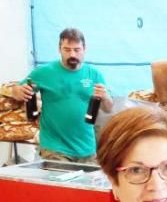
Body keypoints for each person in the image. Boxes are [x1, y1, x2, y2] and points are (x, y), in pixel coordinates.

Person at [9, 27, 112, 161]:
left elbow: (108, 107)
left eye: (77, 50)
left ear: (84, 49)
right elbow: (17, 91)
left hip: (87, 149)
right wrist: (18, 91)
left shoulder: (94, 74)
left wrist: (105, 97)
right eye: (67, 50)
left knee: (87, 182)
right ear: (59, 49)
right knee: (60, 183)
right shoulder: (44, 72)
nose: (72, 55)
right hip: (55, 148)